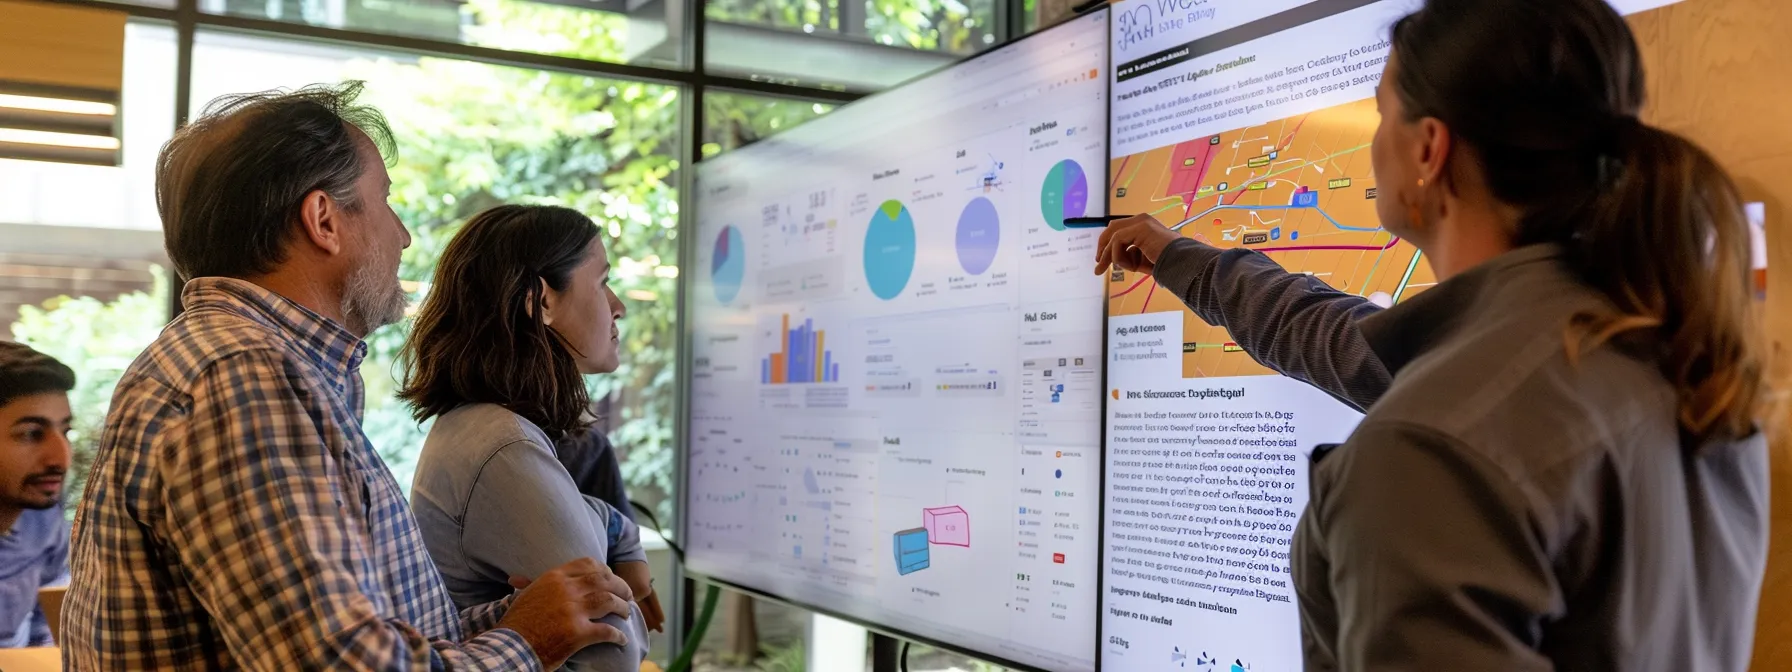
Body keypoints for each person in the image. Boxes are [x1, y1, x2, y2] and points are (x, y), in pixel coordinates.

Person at [1096, 0, 1773, 669]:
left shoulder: (1436, 448)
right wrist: (1180, 258)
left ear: (1428, 148)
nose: (1374, 136)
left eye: (1382, 110)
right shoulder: (1659, 350)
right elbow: (1340, 338)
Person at [64, 83, 636, 671]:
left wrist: (525, 616)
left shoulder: (253, 366)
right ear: (323, 221)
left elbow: (374, 632)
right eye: (386, 201)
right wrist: (527, 641)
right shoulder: (243, 377)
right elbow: (340, 663)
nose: (404, 235)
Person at [400, 204, 666, 671]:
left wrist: (619, 533)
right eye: (602, 282)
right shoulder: (506, 449)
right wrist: (631, 616)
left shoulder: (481, 429)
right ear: (542, 301)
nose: (618, 306)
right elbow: (614, 654)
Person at [0, 342, 72, 648]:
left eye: (66, 432)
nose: (61, 458)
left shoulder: (42, 517)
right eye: (31, 434)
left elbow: (50, 625)